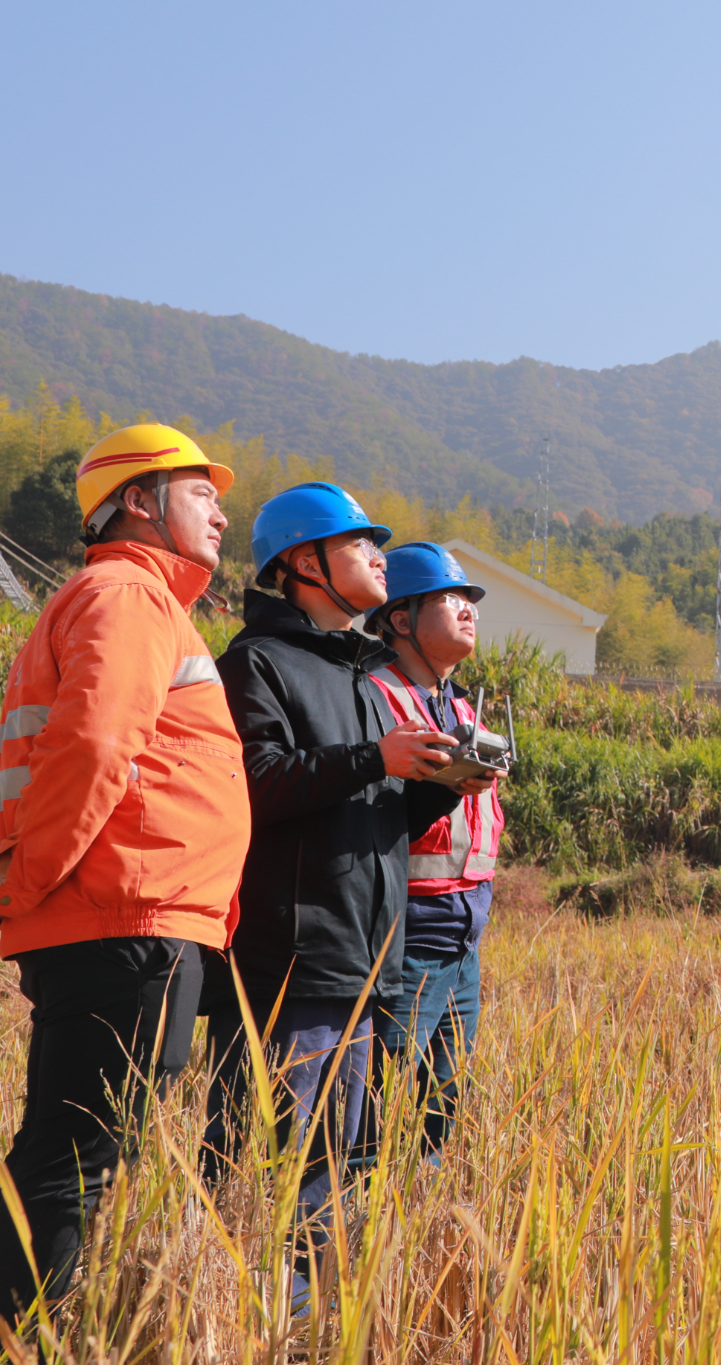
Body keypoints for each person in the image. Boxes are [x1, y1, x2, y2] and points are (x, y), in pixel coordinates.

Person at [0, 424, 249, 1365]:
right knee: (73, 1158)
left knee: (69, 1151)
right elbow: (93, 746)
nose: (221, 511)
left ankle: (7, 1341)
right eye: (200, 492)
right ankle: (9, 1348)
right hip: (124, 917)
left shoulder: (132, 599)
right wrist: (29, 881)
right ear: (139, 501)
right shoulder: (127, 595)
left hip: (124, 913)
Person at [205, 482, 468, 1309]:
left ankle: (307, 1324)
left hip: (363, 958)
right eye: (360, 543)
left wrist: (437, 787)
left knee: (330, 1166)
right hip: (292, 959)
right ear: (303, 563)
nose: (379, 557)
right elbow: (255, 783)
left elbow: (369, 806)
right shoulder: (256, 664)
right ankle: (238, 1318)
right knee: (262, 1155)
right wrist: (373, 760)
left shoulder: (355, 671)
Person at [363, 543, 505, 1158]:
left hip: (464, 934)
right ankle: (362, 1204)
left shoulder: (463, 705)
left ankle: (422, 1199)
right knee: (381, 1103)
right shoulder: (374, 696)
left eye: (470, 600)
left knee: (441, 1108)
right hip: (407, 931)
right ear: (401, 618)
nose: (468, 610)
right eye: (450, 599)